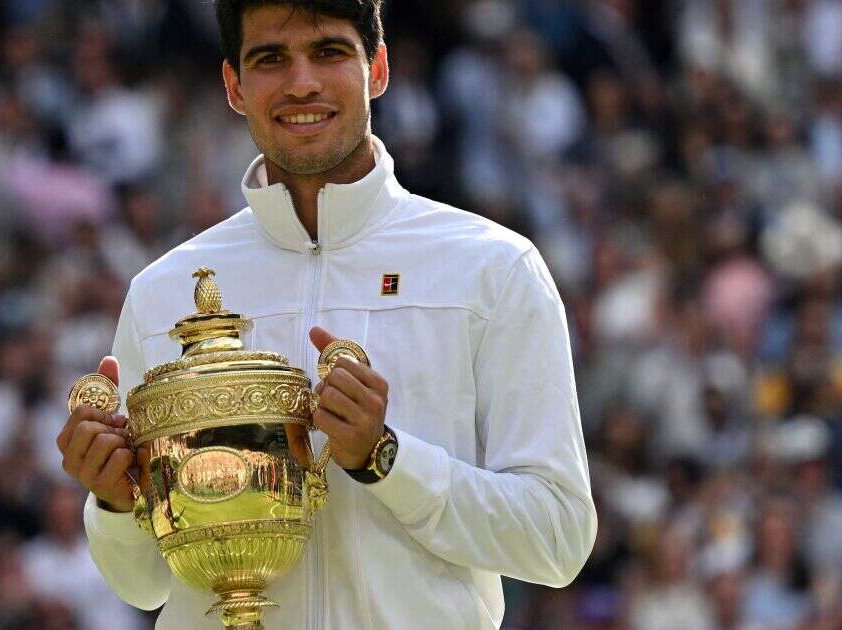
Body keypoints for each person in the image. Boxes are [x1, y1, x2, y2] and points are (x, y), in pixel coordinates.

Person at [55, 1, 597, 628]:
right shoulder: (163, 293)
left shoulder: (493, 271)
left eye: (329, 51)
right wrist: (116, 503)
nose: (301, 82)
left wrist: (386, 457)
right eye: (271, 59)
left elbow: (558, 539)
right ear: (233, 85)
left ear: (379, 68)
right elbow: (143, 584)